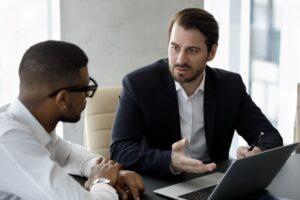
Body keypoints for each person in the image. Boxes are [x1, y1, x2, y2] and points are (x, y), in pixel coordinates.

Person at [110, 8, 283, 176]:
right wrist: (170, 161)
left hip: (213, 182)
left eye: (192, 50)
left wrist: (258, 151)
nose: (180, 59)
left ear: (212, 52)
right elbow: (120, 150)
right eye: (175, 47)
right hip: (161, 182)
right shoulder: (139, 84)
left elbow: (269, 136)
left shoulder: (230, 86)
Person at [0, 40, 144, 200]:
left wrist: (106, 171)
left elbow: (67, 154)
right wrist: (103, 182)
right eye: (85, 89)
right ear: (63, 99)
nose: (87, 97)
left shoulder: (24, 121)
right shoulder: (10, 140)